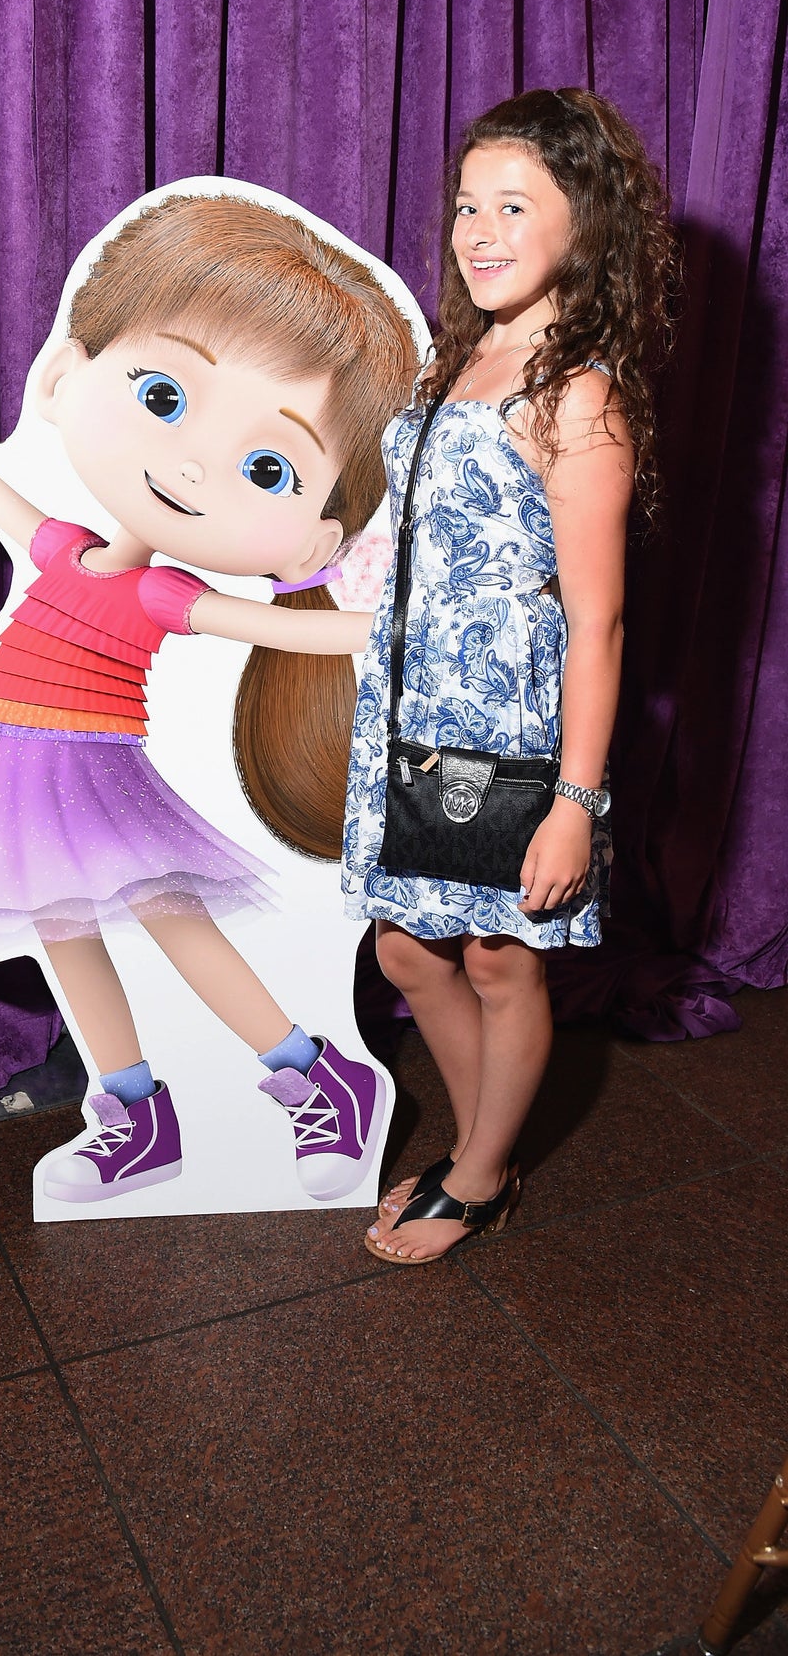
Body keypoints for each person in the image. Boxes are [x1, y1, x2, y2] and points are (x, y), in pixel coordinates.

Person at [0, 195, 418, 1204]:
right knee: (66, 930)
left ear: (313, 534)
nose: (191, 463)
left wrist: (404, 621)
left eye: (266, 466)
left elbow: (287, 627)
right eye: (163, 395)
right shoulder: (62, 544)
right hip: (11, 767)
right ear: (63, 374)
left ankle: (316, 1075)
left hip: (92, 774)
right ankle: (136, 1110)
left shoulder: (161, 590)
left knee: (173, 922)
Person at [345, 87, 674, 1264]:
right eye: (466, 204)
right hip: (411, 709)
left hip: (510, 730)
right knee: (402, 949)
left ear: (579, 227)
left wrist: (573, 810)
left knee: (494, 956)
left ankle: (478, 1171)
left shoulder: (574, 393)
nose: (477, 230)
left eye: (512, 206)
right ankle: (487, 1137)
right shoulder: (464, 352)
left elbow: (598, 623)